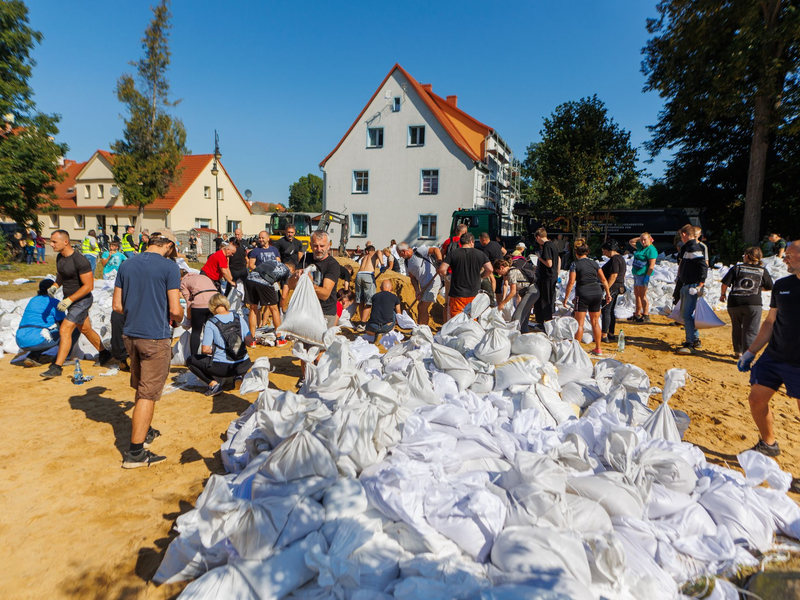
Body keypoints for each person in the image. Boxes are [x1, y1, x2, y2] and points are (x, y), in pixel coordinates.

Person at [112, 229, 183, 468]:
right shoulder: (169, 267)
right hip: (155, 336)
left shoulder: (127, 264)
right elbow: (174, 310)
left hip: (130, 334)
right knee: (148, 394)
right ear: (169, 246)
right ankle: (135, 453)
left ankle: (146, 430)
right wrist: (181, 316)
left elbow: (117, 305)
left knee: (141, 387)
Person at [737, 241, 800, 460]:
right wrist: (751, 352)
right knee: (756, 399)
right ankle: (768, 443)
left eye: (790, 255)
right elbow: (770, 322)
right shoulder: (782, 285)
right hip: (774, 356)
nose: (785, 259)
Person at [40, 231, 112, 379]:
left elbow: (88, 286)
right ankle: (105, 353)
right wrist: (55, 285)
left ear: (65, 242)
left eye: (54, 242)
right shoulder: (60, 257)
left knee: (65, 328)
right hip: (71, 299)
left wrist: (70, 300)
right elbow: (62, 273)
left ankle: (57, 367)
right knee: (85, 329)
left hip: (82, 300)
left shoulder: (80, 260)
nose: (51, 244)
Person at [186, 293, 253, 397]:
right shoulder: (238, 317)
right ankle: (238, 375)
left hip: (222, 368)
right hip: (244, 363)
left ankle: (214, 385)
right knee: (237, 351)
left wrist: (214, 351)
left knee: (191, 360)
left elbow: (205, 350)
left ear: (211, 306)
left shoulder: (211, 322)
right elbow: (249, 341)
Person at [720, 246, 773, 358]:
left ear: (747, 256)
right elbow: (769, 286)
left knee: (737, 327)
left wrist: (723, 295)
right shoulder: (762, 270)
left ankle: (738, 352)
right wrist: (758, 288)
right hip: (753, 304)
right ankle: (747, 355)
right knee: (751, 330)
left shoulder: (737, 268)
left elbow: (725, 284)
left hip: (735, 303)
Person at [563, 239, 612, 356]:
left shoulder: (575, 264)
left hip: (583, 293)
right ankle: (598, 348)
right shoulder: (594, 264)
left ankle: (577, 350)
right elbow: (604, 280)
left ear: (576, 253)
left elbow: (571, 282)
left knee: (579, 323)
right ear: (587, 252)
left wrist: (566, 297)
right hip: (596, 293)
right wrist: (608, 294)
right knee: (595, 322)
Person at [16, 279, 72, 367]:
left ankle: (32, 356)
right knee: (69, 331)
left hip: (20, 339)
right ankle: (63, 358)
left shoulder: (33, 300)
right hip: (37, 339)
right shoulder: (54, 302)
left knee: (41, 334)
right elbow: (63, 324)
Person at [437, 232, 493, 319]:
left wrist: (448, 275)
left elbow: (441, 269)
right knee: (472, 318)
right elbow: (490, 269)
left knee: (456, 320)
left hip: (457, 293)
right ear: (471, 242)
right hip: (474, 292)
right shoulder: (480, 254)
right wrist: (481, 276)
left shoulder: (453, 253)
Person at [295, 230, 341, 329]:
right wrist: (295, 275)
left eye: (322, 246)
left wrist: (309, 283)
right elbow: (290, 285)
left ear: (329, 245)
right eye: (315, 246)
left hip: (324, 312)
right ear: (310, 245)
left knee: (321, 343)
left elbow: (325, 294)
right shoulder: (306, 259)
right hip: (305, 310)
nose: (318, 249)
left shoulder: (333, 265)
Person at [244, 253, 292, 346]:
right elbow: (284, 296)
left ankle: (252, 340)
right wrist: (284, 310)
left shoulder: (272, 262)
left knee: (253, 308)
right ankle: (279, 338)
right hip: (264, 281)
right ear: (291, 269)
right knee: (274, 309)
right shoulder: (287, 271)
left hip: (250, 278)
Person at [675, 224, 709, 355]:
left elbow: (703, 266)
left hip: (691, 285)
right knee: (687, 314)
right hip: (688, 284)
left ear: (684, 235)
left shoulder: (693, 248)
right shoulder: (689, 247)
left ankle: (690, 342)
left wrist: (700, 283)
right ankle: (693, 339)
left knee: (687, 314)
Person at [397, 242, 442, 327]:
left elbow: (436, 250)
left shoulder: (419, 251)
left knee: (422, 307)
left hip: (433, 282)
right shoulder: (407, 262)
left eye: (400, 254)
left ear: (403, 251)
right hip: (423, 286)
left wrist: (440, 262)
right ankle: (420, 327)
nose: (400, 256)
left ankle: (423, 328)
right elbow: (412, 278)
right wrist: (417, 290)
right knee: (420, 307)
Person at [493, 258, 540, 333]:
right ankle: (523, 334)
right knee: (524, 318)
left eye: (497, 272)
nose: (499, 274)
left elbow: (513, 292)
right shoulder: (511, 271)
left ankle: (512, 336)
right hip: (530, 292)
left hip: (531, 292)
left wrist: (502, 303)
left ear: (501, 267)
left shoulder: (511, 273)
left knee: (517, 317)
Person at [180, 269, 218, 356]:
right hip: (215, 302)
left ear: (181, 278)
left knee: (196, 332)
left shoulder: (184, 282)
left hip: (200, 304)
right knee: (212, 330)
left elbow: (189, 303)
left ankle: (193, 357)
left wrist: (188, 320)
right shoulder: (204, 277)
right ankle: (213, 354)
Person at [628, 232, 658, 323]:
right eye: (641, 240)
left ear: (650, 239)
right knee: (637, 295)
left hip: (643, 274)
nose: (643, 241)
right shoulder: (641, 247)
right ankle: (637, 313)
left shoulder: (651, 249)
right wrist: (640, 238)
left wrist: (647, 276)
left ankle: (645, 314)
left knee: (642, 295)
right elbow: (631, 241)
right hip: (637, 273)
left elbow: (651, 265)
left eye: (645, 240)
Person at [600, 240, 626, 342]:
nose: (604, 253)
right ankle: (611, 333)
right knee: (611, 311)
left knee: (606, 310)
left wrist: (607, 289)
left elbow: (614, 275)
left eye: (604, 251)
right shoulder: (621, 258)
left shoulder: (615, 259)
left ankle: (604, 335)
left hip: (612, 287)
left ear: (609, 250)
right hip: (618, 287)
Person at [533, 228, 559, 326]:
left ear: (538, 237)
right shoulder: (553, 245)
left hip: (547, 276)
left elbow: (549, 263)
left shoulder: (547, 246)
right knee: (549, 299)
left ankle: (544, 322)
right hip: (552, 276)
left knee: (544, 299)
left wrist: (539, 258)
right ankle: (546, 321)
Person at [354, 245, 380, 331]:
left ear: (367, 251)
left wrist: (358, 259)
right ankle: (363, 323)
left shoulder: (364, 257)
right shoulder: (373, 254)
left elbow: (361, 254)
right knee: (369, 302)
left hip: (359, 275)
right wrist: (382, 264)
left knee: (361, 300)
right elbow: (379, 251)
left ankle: (362, 322)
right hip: (368, 275)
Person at [476, 232, 506, 304]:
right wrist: (500, 258)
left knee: (493, 284)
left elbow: (484, 262)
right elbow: (505, 251)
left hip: (494, 269)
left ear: (483, 239)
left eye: (480, 240)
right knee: (499, 289)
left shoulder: (486, 249)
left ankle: (492, 300)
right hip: (502, 268)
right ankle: (499, 304)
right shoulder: (496, 243)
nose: (480, 242)